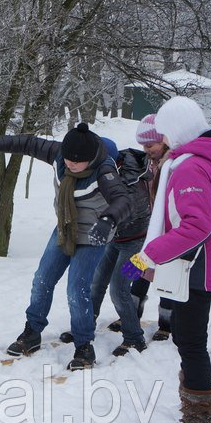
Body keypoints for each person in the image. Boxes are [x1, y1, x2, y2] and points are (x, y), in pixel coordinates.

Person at [121, 96, 211, 423]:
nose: (160, 140)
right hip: (206, 263)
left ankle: (200, 413)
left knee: (189, 340)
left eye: (163, 132)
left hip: (196, 269)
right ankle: (196, 400)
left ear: (174, 131)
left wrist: (146, 257)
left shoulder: (191, 165)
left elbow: (195, 226)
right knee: (188, 336)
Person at [0, 123, 131, 370]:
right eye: (68, 159)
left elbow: (123, 200)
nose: (71, 165)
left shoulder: (105, 170)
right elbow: (27, 143)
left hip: (93, 235)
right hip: (65, 229)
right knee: (42, 279)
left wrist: (108, 220)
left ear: (91, 160)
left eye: (78, 162)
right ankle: (32, 333)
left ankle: (84, 346)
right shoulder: (60, 155)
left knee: (77, 290)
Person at [60, 135, 152, 356]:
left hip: (138, 245)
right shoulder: (108, 174)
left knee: (119, 289)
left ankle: (134, 337)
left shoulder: (130, 181)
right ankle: (85, 326)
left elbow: (127, 211)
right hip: (114, 240)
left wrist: (103, 218)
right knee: (96, 283)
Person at [129, 114, 173, 342]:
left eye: (150, 144)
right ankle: (130, 314)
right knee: (134, 270)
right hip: (146, 231)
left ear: (164, 141)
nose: (146, 149)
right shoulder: (147, 164)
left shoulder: (173, 164)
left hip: (167, 232)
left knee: (167, 277)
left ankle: (166, 323)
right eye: (143, 146)